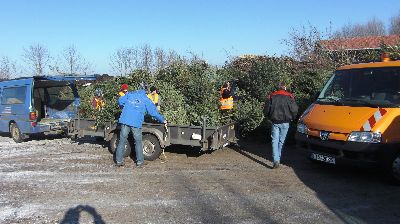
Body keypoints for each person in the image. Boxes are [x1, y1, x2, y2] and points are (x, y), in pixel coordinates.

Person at [115, 85, 167, 168]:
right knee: (138, 142)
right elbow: (153, 112)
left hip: (125, 120)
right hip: (136, 122)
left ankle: (118, 161)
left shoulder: (129, 94)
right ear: (146, 91)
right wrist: (163, 120)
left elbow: (120, 101)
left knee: (122, 141)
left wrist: (125, 107)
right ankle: (139, 162)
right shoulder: (146, 99)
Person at [264, 83, 298, 169]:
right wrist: (293, 118)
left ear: (277, 88)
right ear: (285, 88)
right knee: (281, 141)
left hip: (275, 121)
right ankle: (277, 158)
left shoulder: (272, 96)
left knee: (274, 140)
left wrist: (268, 117)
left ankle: (276, 160)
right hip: (286, 122)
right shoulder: (290, 96)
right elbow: (294, 110)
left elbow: (266, 109)